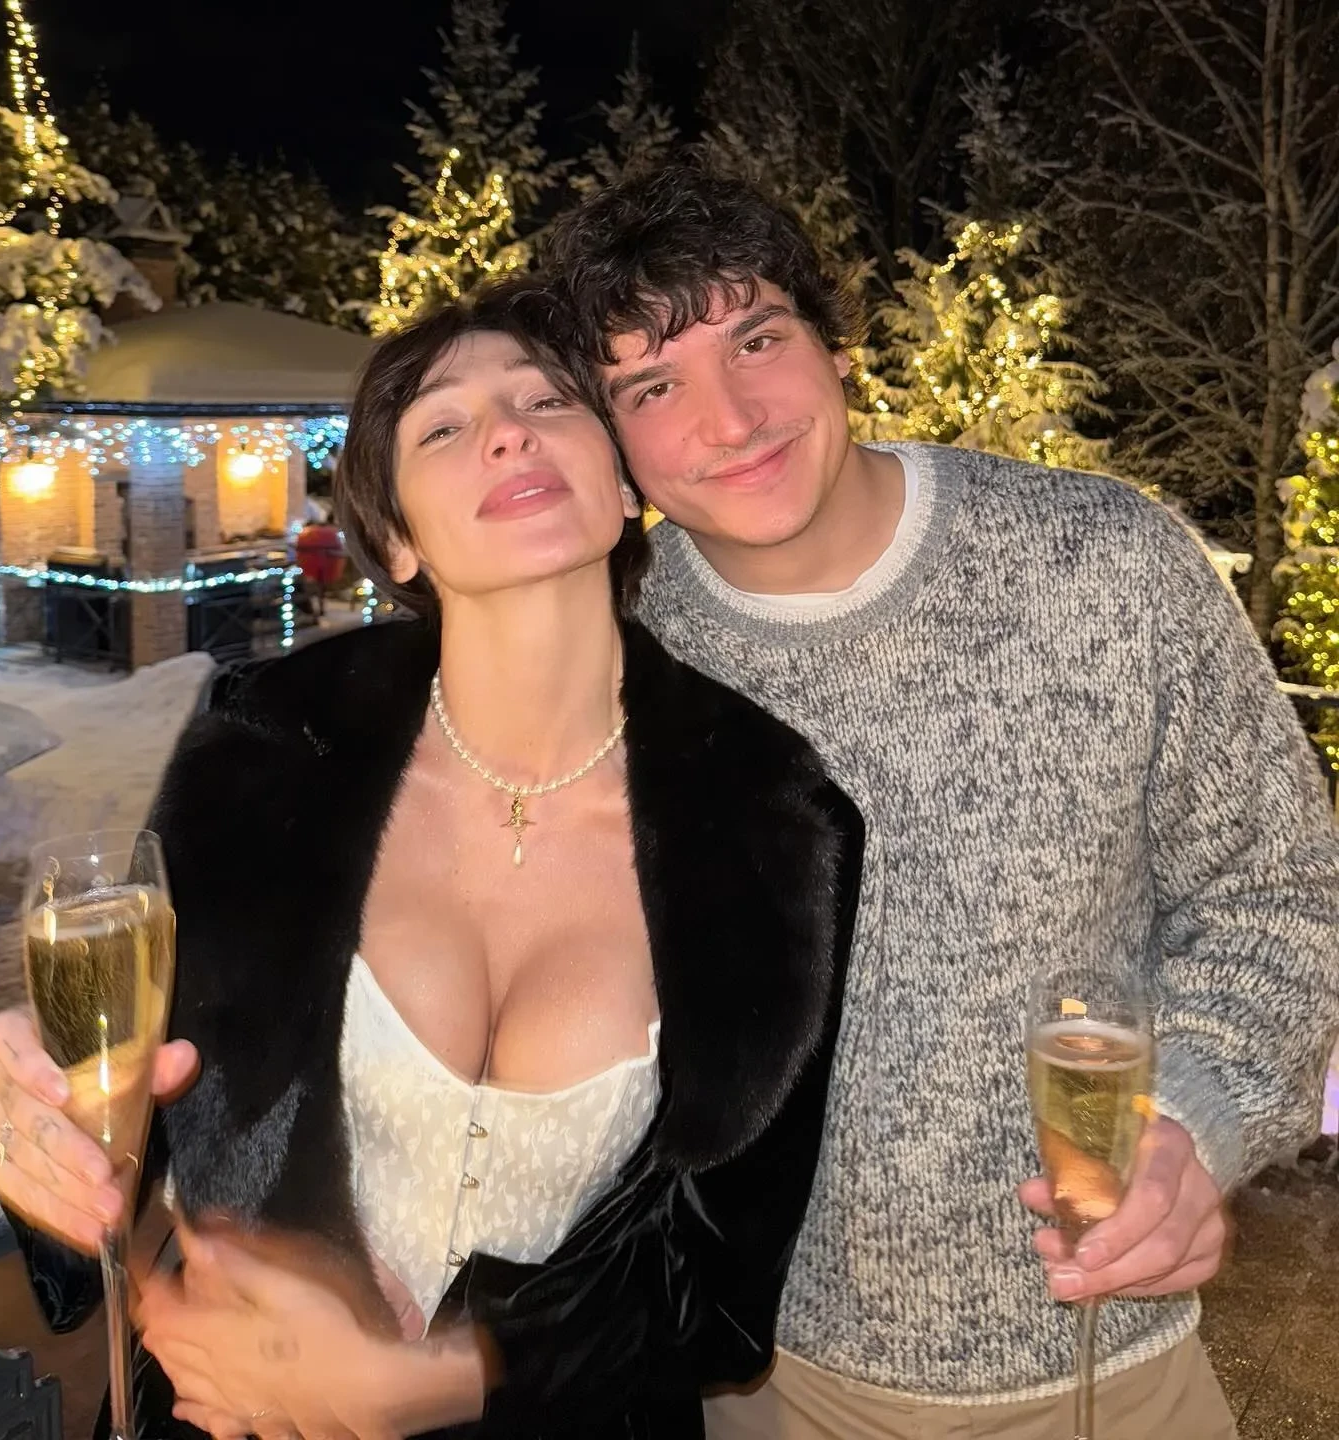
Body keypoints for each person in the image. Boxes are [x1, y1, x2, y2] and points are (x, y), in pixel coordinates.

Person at [0, 278, 862, 1440]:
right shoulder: (267, 747)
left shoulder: (773, 816)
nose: (508, 432)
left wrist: (442, 1379)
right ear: (394, 537)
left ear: (621, 482)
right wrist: (59, 1152)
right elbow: (132, 1173)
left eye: (547, 401)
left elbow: (720, 1294)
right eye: (443, 426)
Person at [542, 163, 1339, 1439]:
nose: (730, 418)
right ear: (611, 440)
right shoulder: (610, 657)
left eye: (758, 339)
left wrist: (1196, 1120)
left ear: (832, 343)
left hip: (1103, 1368)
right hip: (756, 1387)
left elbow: (1279, 892)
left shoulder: (1107, 565)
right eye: (652, 386)